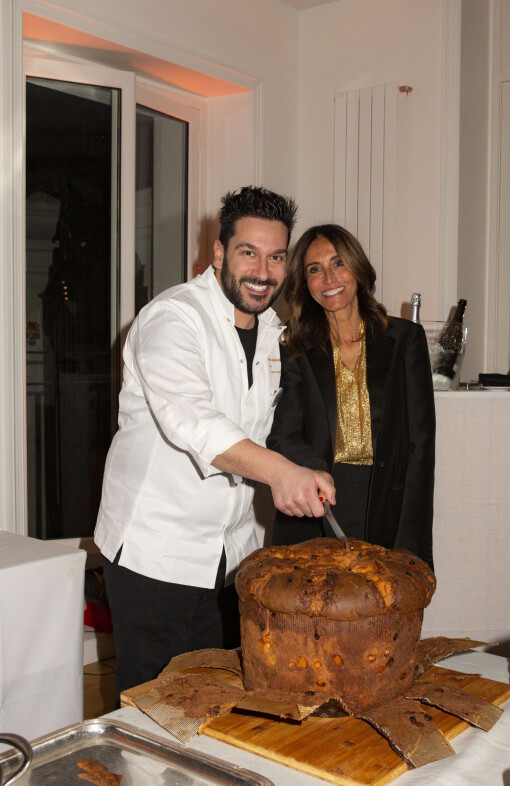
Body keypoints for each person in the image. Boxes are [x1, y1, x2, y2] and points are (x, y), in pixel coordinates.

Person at [94, 187, 335, 701]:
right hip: (155, 553)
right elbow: (192, 418)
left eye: (275, 257)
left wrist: (306, 469)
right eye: (248, 252)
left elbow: (266, 427)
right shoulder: (172, 318)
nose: (263, 272)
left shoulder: (272, 330)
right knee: (153, 713)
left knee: (215, 705)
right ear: (219, 253)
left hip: (229, 558)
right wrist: (277, 473)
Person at [266, 223, 435, 566]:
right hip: (318, 503)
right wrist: (314, 474)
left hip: (386, 502)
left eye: (338, 263)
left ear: (358, 268)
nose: (329, 278)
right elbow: (283, 433)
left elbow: (420, 445)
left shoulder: (405, 340)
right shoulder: (292, 346)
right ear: (304, 282)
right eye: (315, 269)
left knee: (383, 613)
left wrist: (412, 542)